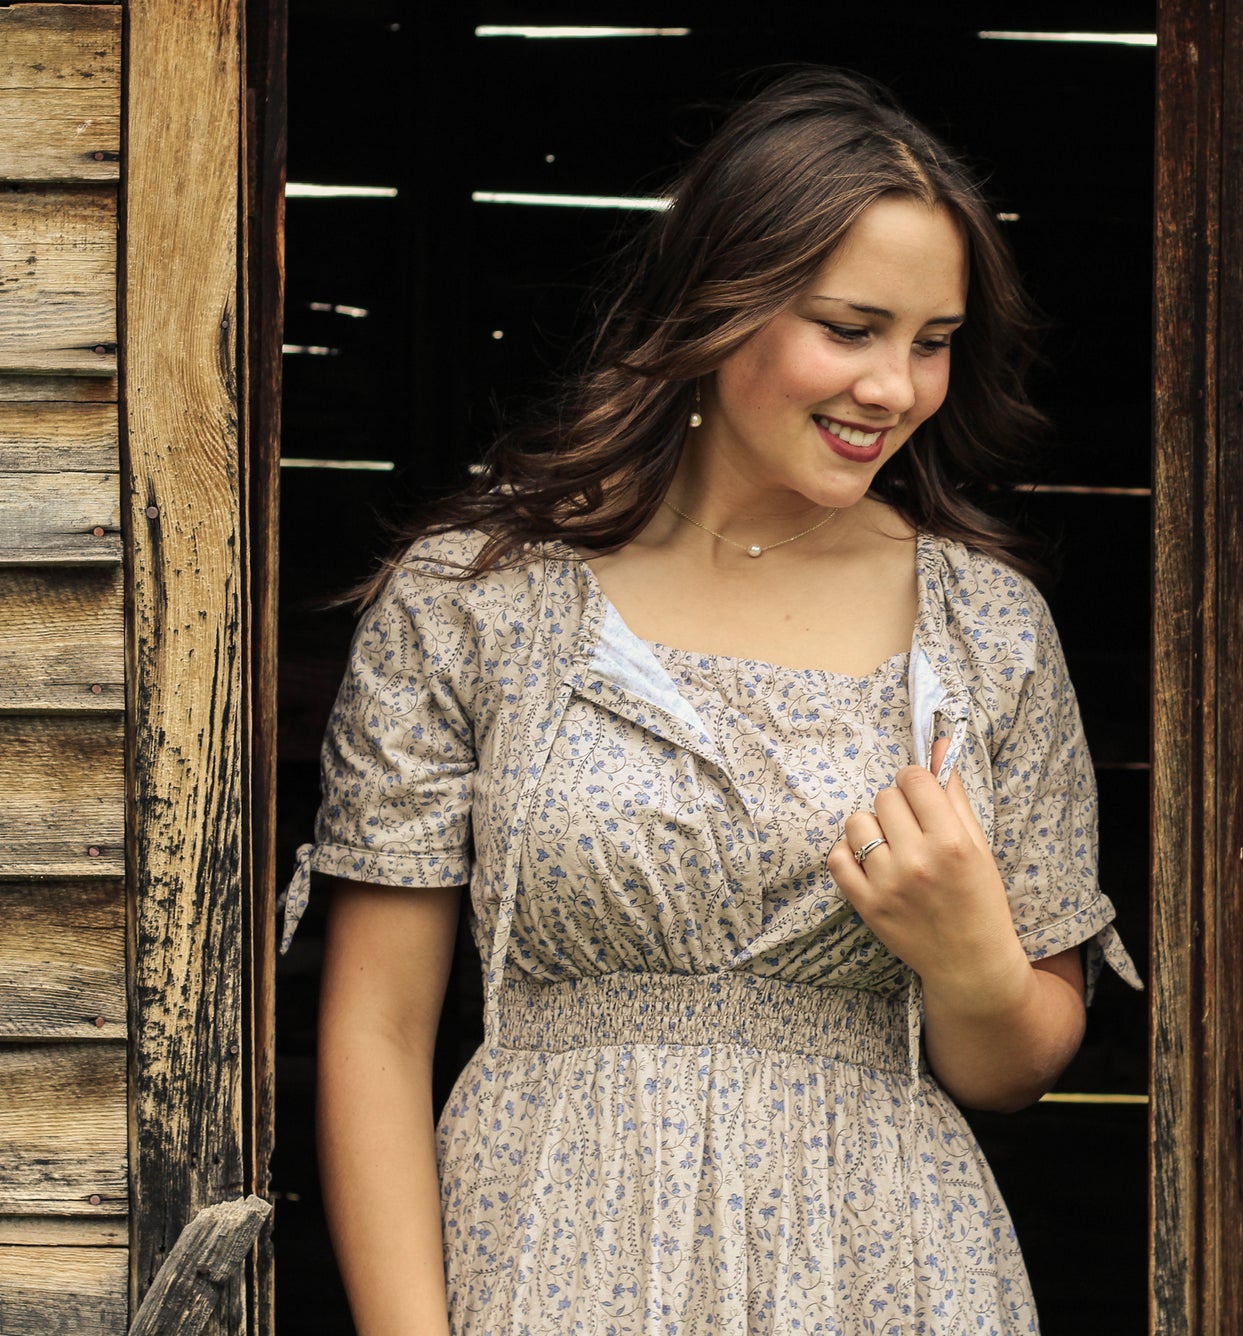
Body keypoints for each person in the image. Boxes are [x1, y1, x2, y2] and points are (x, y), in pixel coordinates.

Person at [279, 66, 1142, 1334]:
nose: (894, 387)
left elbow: (1011, 1072)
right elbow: (376, 1031)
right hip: (547, 1252)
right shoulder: (475, 600)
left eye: (932, 342)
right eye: (849, 328)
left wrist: (971, 963)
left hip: (885, 1274)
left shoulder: (985, 630)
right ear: (716, 301)